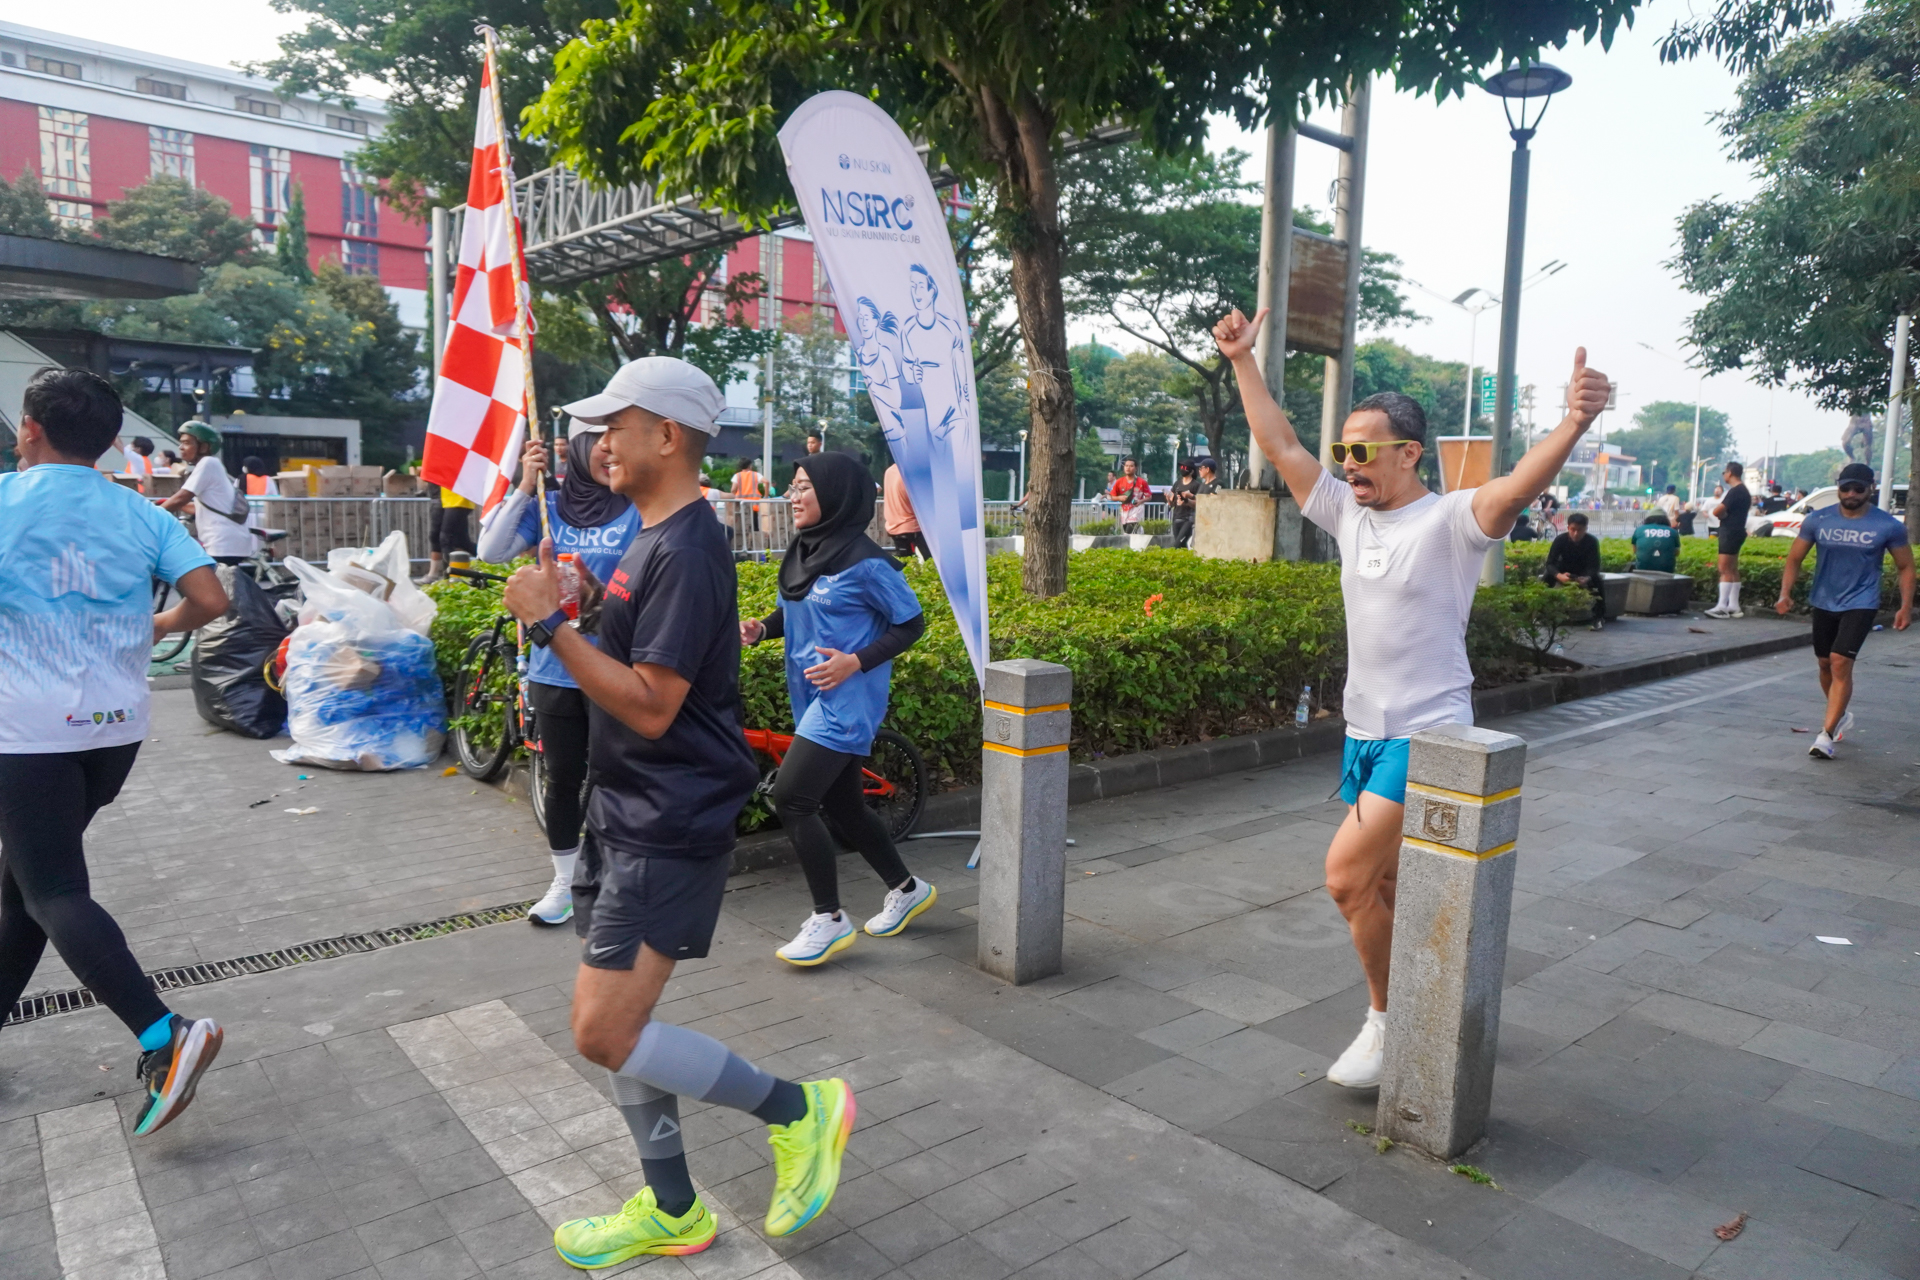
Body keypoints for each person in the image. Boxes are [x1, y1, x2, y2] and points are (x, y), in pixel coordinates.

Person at [500, 358, 852, 1264]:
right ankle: (672, 1209)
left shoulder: (687, 547)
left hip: (666, 818)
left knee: (603, 1030)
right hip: (625, 809)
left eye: (613, 426)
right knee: (626, 1034)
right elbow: (640, 663)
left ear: (666, 436)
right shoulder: (653, 536)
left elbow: (654, 706)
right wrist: (584, 606)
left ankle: (799, 1110)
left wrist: (550, 627)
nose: (597, 443)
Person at [1212, 306, 1610, 1091]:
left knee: (1345, 878)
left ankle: (1389, 1021)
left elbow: (1517, 486)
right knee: (1387, 887)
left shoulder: (1452, 520)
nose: (1347, 464)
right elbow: (1281, 446)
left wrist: (1573, 422)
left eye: (1361, 451)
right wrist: (1241, 362)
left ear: (1408, 454)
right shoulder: (1346, 513)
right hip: (1363, 732)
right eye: (1343, 451)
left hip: (1427, 734)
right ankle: (1432, 999)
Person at [0, 368, 230, 1135]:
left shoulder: (6, 501)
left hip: (28, 733)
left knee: (53, 890)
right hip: (114, 731)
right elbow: (211, 599)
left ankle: (165, 1033)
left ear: (30, 428)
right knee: (25, 890)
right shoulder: (135, 510)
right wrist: (158, 625)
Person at [742, 452, 934, 965]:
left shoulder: (867, 563)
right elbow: (795, 610)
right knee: (846, 806)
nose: (793, 495)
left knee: (793, 799)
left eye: (804, 486)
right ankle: (908, 889)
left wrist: (855, 661)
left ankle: (828, 919)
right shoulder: (806, 550)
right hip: (809, 696)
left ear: (835, 495)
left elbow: (912, 623)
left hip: (846, 702)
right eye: (793, 486)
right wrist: (762, 628)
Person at [478, 422, 643, 927]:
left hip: (613, 667)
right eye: (599, 442)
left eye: (614, 440)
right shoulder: (548, 506)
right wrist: (525, 484)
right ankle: (564, 881)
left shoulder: (636, 506)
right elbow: (491, 550)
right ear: (579, 448)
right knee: (563, 777)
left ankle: (617, 874)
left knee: (615, 777)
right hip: (553, 667)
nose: (609, 451)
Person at [1774, 462, 1915, 759]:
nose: (1851, 494)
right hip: (1824, 600)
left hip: (1862, 601)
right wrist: (1785, 593)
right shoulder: (1818, 519)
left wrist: (1905, 607)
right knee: (1825, 663)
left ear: (1870, 489)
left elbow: (1905, 566)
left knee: (1840, 661)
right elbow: (1794, 558)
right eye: (1845, 488)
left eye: (1858, 489)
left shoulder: (1887, 525)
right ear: (1838, 488)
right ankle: (1839, 715)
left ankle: (1825, 736)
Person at [157, 422, 252, 565]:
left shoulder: (207, 463)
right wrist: (166, 504)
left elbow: (182, 497)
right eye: (181, 443)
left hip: (222, 545)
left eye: (186, 443)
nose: (181, 447)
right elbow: (199, 507)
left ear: (204, 447)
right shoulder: (213, 465)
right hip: (226, 543)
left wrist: (152, 513)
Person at [1542, 512, 1607, 629]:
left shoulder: (1592, 541)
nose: (1576, 533)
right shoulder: (1560, 540)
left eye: (1580, 530)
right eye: (1573, 529)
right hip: (1563, 570)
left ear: (1585, 529)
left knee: (1598, 582)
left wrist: (1587, 577)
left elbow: (1595, 566)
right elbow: (1550, 563)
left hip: (1583, 571)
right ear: (1568, 528)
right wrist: (1558, 575)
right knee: (1546, 578)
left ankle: (1599, 617)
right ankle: (1541, 614)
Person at [1708, 462, 1751, 617]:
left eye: (1724, 472)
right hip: (1738, 530)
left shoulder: (1735, 491)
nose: (1724, 475)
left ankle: (1722, 606)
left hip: (1729, 531)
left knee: (1724, 569)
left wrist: (1722, 515)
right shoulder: (1744, 491)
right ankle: (1733, 605)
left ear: (1730, 473)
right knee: (1733, 569)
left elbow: (1717, 511)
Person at [421, 483, 478, 583]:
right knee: (462, 542)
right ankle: (493, 560)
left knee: (446, 538)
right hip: (447, 496)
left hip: (460, 497)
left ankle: (449, 577)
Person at [883, 461, 928, 559]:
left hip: (894, 527)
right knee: (932, 561)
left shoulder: (889, 471)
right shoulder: (909, 473)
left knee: (906, 562)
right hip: (913, 527)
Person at [1109, 458, 1150, 532]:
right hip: (1124, 510)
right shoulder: (1119, 481)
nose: (1128, 468)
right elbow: (1112, 496)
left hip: (1137, 509)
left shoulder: (1142, 482)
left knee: (1129, 530)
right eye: (1126, 466)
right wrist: (1119, 498)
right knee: (1126, 531)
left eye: (1131, 466)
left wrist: (1141, 501)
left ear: (1136, 468)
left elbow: (1149, 497)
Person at [1168, 459, 1201, 548]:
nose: (1182, 469)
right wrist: (1169, 499)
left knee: (1177, 544)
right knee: (1181, 545)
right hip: (1176, 517)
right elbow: (1172, 502)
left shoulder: (1196, 485)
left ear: (1191, 471)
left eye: (1185, 467)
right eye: (1181, 467)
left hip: (1188, 519)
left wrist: (1187, 500)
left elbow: (1199, 503)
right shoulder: (1177, 483)